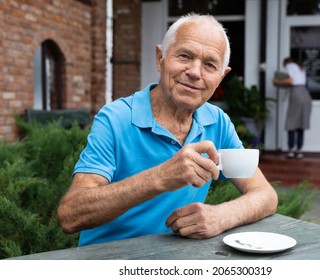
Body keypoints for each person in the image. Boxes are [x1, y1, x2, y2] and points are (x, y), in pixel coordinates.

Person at [57, 13, 278, 246]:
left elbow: (265, 195)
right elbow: (71, 215)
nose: (194, 72)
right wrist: (160, 177)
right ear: (160, 58)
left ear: (221, 77)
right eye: (184, 56)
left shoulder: (218, 123)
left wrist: (222, 216)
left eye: (210, 65)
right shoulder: (115, 119)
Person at [273, 57, 312, 159]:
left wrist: (276, 82)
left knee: (291, 122)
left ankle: (291, 149)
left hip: (296, 94)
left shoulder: (290, 66)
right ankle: (299, 150)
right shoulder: (300, 67)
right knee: (301, 123)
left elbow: (291, 80)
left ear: (286, 63)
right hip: (305, 94)